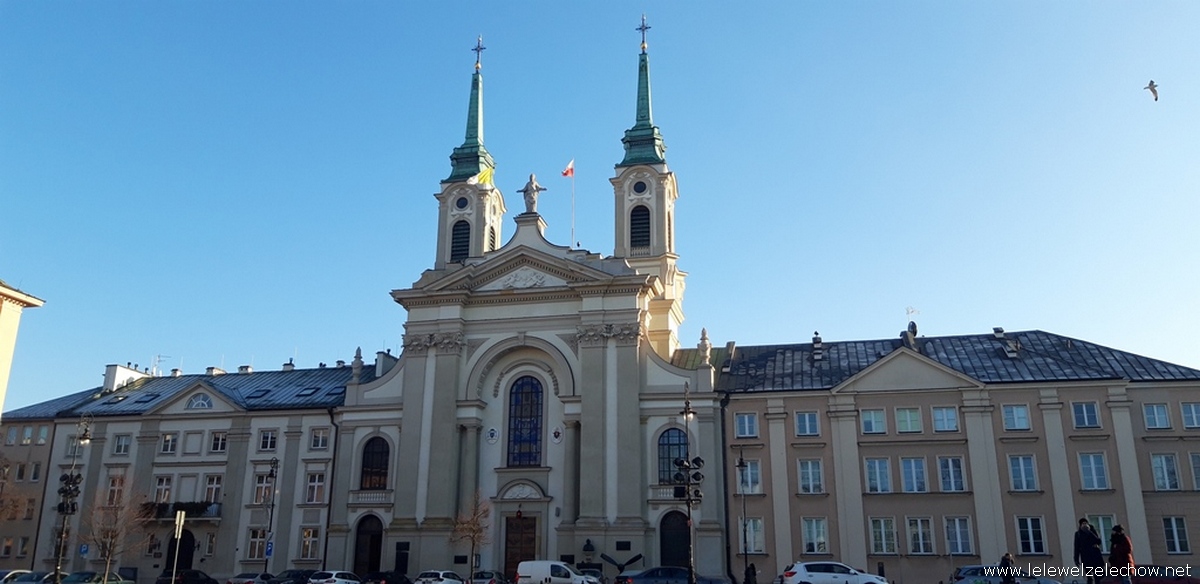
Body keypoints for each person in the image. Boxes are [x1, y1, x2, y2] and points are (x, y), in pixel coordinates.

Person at [1073, 518, 1104, 584]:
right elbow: (1077, 547)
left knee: (1098, 576)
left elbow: (1098, 541)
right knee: (1089, 577)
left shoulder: (1092, 531)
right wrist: (1076, 559)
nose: (1084, 525)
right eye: (1083, 524)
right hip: (1086, 558)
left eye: (1085, 523)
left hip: (1095, 557)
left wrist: (1089, 532)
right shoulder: (1078, 534)